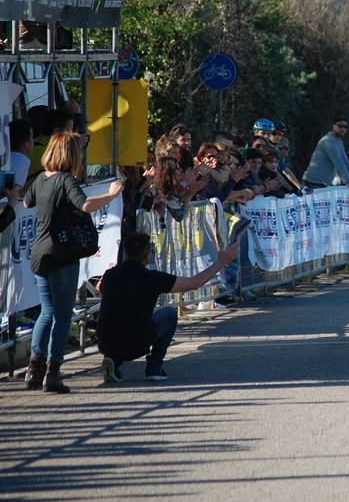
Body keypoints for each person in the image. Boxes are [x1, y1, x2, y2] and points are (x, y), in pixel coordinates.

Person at [23, 132, 123, 394]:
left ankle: (34, 369)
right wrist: (111, 196)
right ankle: (53, 372)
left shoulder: (41, 179)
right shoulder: (65, 180)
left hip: (39, 253)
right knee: (62, 315)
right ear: (70, 155)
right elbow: (86, 205)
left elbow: (26, 201)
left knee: (46, 312)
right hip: (62, 254)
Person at [97, 234, 239, 383]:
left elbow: (100, 288)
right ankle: (154, 367)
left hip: (105, 342)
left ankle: (113, 361)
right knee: (169, 313)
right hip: (136, 342)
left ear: (125, 252)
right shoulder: (152, 278)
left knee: (122, 325)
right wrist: (221, 262)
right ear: (147, 256)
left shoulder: (110, 275)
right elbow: (194, 283)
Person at [302, 117, 349, 190]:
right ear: (333, 126)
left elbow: (346, 162)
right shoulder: (328, 140)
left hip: (323, 183)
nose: (343, 129)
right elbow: (339, 163)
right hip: (313, 183)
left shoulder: (339, 141)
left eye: (345, 127)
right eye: (340, 126)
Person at [9, 118, 32, 195]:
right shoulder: (23, 160)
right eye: (32, 137)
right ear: (25, 143)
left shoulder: (8, 157)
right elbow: (13, 191)